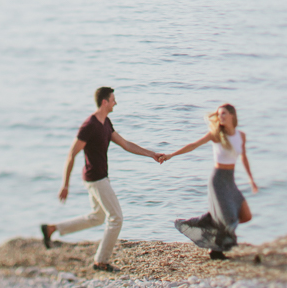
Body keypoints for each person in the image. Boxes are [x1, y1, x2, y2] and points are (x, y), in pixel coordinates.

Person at [39, 86, 162, 272]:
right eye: (113, 99)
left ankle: (52, 229)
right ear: (105, 102)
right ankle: (100, 261)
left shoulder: (106, 123)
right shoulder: (89, 125)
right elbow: (71, 155)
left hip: (100, 177)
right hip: (96, 179)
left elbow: (125, 144)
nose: (116, 103)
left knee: (97, 217)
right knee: (116, 218)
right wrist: (65, 185)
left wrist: (151, 154)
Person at [163, 103, 258, 259]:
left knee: (245, 215)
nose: (221, 117)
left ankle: (212, 226)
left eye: (224, 114)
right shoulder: (215, 134)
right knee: (227, 217)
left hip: (230, 180)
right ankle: (216, 249)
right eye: (219, 114)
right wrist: (171, 155)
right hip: (218, 180)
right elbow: (193, 145)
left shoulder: (241, 136)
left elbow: (244, 157)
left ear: (232, 115)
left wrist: (251, 180)